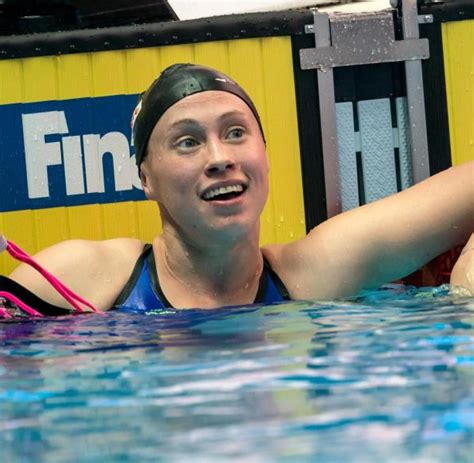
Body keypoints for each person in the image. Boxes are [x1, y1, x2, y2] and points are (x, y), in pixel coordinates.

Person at [6, 64, 474, 311]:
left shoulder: (312, 274)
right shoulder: (89, 277)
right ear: (145, 178)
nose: (219, 157)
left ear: (264, 155)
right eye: (187, 142)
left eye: (235, 132)